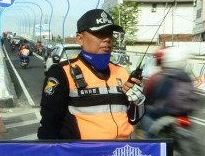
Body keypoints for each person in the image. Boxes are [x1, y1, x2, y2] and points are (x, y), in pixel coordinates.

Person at [37, 9, 145, 140]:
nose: (107, 39)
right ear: (80, 39)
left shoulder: (121, 72)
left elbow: (134, 119)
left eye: (110, 34)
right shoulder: (61, 72)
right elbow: (49, 124)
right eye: (99, 33)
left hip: (120, 154)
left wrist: (138, 102)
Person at [140, 46, 198, 137]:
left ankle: (150, 144)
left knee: (146, 116)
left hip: (164, 111)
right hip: (184, 113)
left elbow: (145, 95)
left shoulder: (158, 77)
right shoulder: (186, 76)